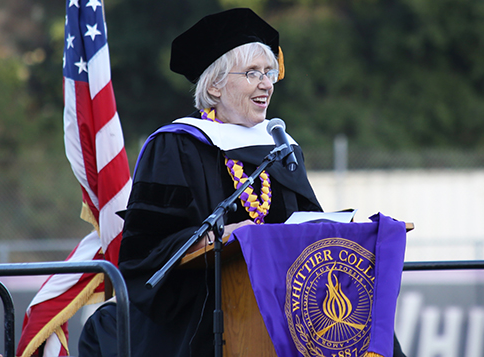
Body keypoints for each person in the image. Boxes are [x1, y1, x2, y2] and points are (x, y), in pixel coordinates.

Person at [79, 8, 406, 357]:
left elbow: (307, 229)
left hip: (285, 300)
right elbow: (144, 250)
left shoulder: (280, 146)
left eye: (269, 73)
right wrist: (215, 237)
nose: (266, 83)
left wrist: (337, 231)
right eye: (252, 73)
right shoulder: (177, 145)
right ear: (215, 85)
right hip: (207, 305)